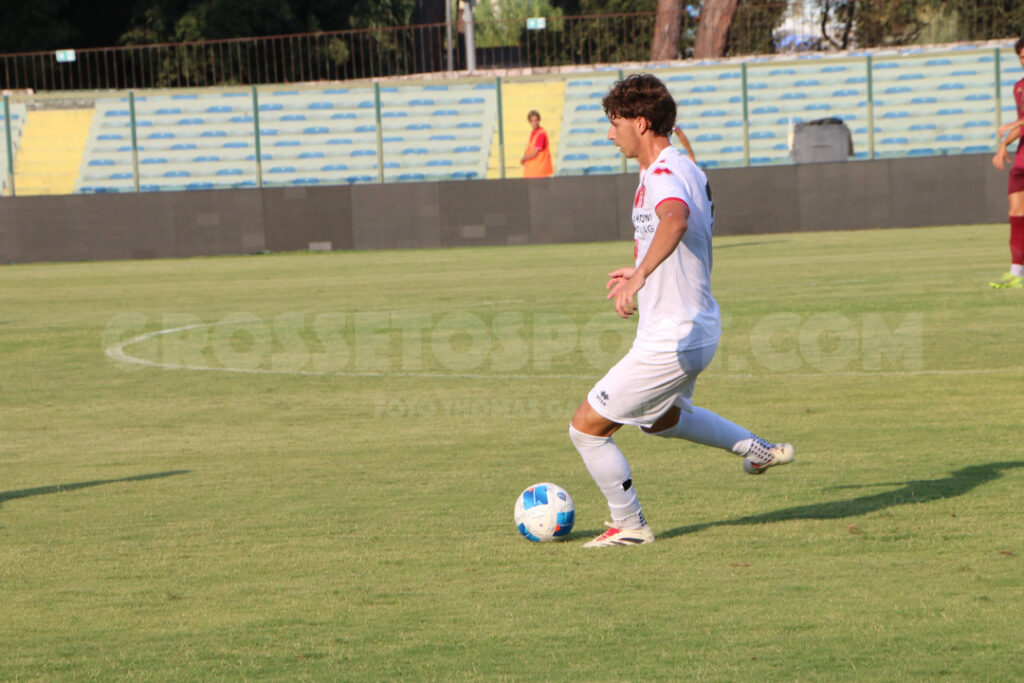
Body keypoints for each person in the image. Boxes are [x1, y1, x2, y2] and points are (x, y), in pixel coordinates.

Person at [568, 74, 794, 548]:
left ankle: (630, 526)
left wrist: (640, 277)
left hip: (673, 336)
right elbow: (676, 233)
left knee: (587, 429)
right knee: (660, 420)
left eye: (615, 123)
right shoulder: (683, 167)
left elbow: (675, 219)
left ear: (640, 123)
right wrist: (638, 269)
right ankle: (757, 449)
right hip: (695, 326)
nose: (610, 134)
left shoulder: (664, 175)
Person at [990, 36, 1024, 289]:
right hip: (1022, 155)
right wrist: (1004, 145)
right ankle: (1015, 273)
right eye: (1022, 57)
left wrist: (1012, 125)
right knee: (1016, 212)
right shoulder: (1018, 87)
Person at [520, 110, 553, 178]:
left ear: (539, 120)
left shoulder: (541, 134)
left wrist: (524, 158)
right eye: (532, 121)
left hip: (539, 172)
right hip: (532, 172)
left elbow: (534, 153)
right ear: (529, 122)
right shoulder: (534, 133)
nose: (534, 123)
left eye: (536, 120)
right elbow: (529, 149)